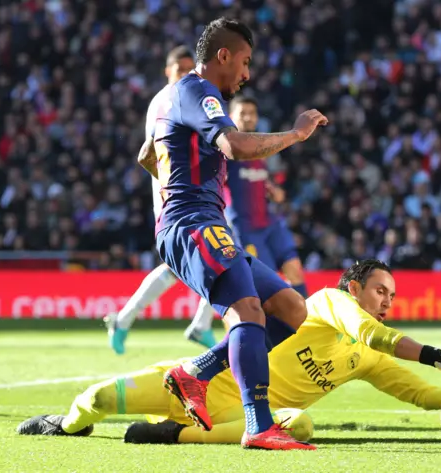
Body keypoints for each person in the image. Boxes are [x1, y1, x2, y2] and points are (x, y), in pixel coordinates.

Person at [16, 260, 441, 445]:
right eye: (381, 290)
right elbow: (377, 337)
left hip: (239, 413)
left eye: (392, 295)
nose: (388, 301)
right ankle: (64, 425)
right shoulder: (327, 304)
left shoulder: (367, 362)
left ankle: (174, 436)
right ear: (353, 288)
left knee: (297, 422)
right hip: (198, 383)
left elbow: (424, 396)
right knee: (98, 398)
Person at [137, 17, 328, 450]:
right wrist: (297, 134)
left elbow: (147, 156)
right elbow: (234, 147)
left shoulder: (167, 99)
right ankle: (259, 425)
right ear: (222, 56)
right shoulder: (197, 89)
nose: (246, 74)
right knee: (247, 310)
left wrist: (170, 196)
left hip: (197, 221)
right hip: (193, 222)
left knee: (290, 308)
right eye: (244, 62)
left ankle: (194, 373)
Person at [103, 47, 220, 355]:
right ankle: (198, 325)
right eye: (178, 69)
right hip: (176, 196)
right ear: (167, 71)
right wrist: (174, 186)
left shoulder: (185, 97)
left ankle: (128, 320)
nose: (185, 74)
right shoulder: (165, 101)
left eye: (188, 69)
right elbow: (149, 153)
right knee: (213, 256)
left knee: (192, 262)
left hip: (196, 193)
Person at [183, 96, 308, 343]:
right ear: (232, 116)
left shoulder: (259, 148)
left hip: (270, 222)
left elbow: (258, 179)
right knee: (267, 286)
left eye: (252, 113)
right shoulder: (225, 150)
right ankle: (263, 339)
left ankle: (308, 328)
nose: (249, 117)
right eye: (243, 113)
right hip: (245, 227)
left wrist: (272, 189)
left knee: (295, 270)